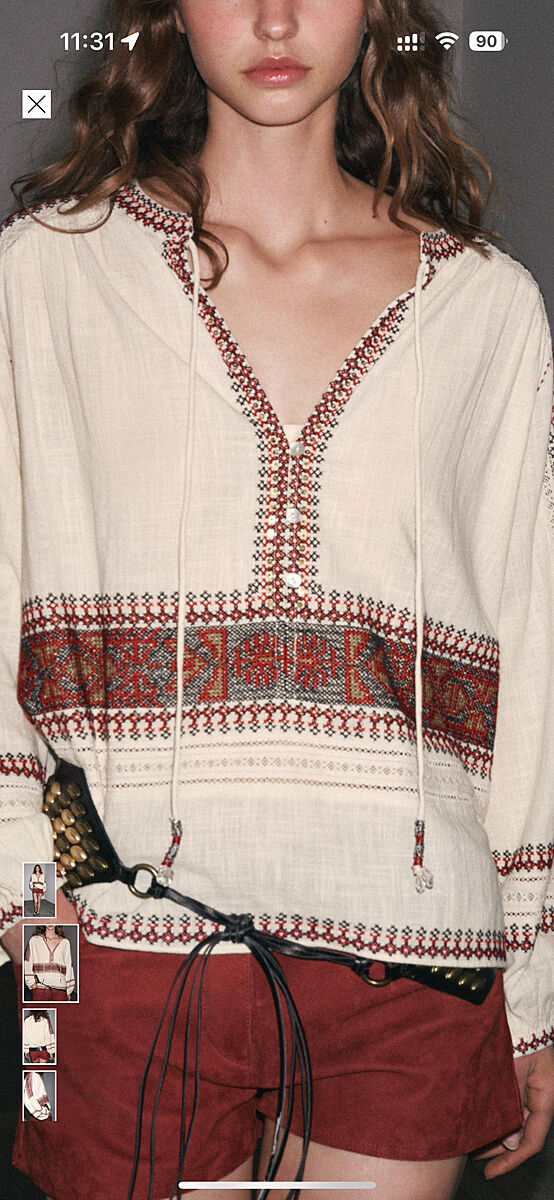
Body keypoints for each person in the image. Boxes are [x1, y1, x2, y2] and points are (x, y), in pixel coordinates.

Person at [0, 2, 553, 1198]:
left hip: (414, 954)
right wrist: (27, 916)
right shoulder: (50, 270)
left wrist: (532, 981)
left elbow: (529, 650)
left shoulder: (485, 309)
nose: (274, 18)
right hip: (118, 941)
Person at [23, 926, 75, 1002]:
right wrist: (31, 983)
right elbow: (27, 962)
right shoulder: (34, 940)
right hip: (40, 989)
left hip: (60, 990)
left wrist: (69, 990)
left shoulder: (65, 942)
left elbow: (69, 965)